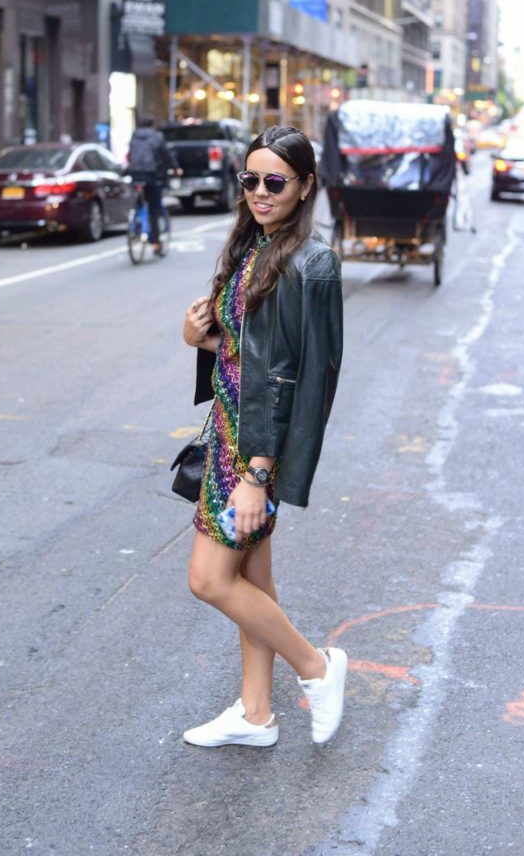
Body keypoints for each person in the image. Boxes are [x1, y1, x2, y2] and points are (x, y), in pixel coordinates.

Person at [181, 125, 345, 748]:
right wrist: (202, 340)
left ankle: (317, 668)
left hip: (253, 451)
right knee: (253, 581)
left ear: (305, 187)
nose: (259, 192)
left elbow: (306, 379)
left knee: (210, 579)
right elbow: (251, 355)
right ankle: (256, 716)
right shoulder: (255, 245)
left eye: (275, 182)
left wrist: (258, 474)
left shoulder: (313, 264)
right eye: (249, 180)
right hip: (229, 431)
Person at [127, 115, 176, 255]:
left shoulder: (134, 136)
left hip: (135, 175)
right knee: (154, 210)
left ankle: (135, 225)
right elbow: (166, 155)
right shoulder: (157, 136)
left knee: (140, 203)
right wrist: (175, 167)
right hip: (151, 176)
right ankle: (155, 243)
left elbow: (130, 155)